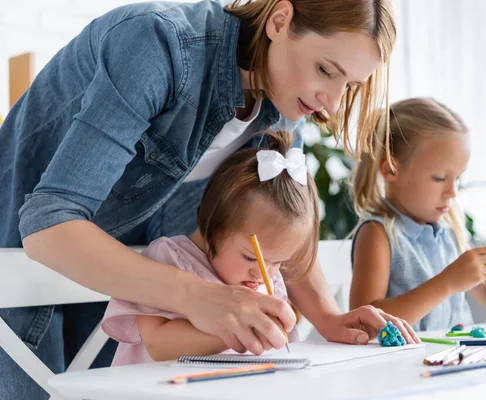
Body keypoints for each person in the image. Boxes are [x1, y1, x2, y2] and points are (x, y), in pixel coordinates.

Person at [0, 1, 401, 398]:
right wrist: (200, 298)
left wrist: (329, 318)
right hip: (19, 259)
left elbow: (273, 223)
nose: (330, 103)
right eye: (325, 70)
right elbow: (48, 225)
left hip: (121, 273)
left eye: (348, 85)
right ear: (279, 21)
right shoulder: (157, 43)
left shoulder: (285, 93)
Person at [102, 130, 418, 366]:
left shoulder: (263, 275)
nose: (264, 274)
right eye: (251, 256)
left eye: (279, 262)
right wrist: (235, 329)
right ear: (212, 222)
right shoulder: (169, 258)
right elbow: (158, 344)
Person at [350, 98, 486, 331]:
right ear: (391, 169)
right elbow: (364, 323)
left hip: (453, 361)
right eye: (439, 178)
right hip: (402, 366)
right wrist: (447, 283)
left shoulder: (448, 235)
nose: (452, 192)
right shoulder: (378, 234)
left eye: (458, 178)